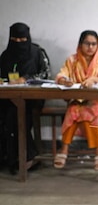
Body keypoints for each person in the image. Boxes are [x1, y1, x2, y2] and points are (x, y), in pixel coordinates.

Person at [53, 30, 98, 171]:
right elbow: (61, 75)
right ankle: (65, 149)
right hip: (78, 99)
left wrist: (93, 79)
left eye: (93, 44)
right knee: (74, 110)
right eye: (87, 43)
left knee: (86, 111)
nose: (90, 47)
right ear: (80, 44)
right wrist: (64, 80)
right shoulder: (72, 60)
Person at [0, 22, 51, 175]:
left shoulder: (37, 52)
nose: (19, 44)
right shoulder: (5, 55)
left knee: (16, 117)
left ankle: (27, 157)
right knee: (5, 116)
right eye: (15, 40)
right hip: (8, 97)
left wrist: (26, 79)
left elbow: (46, 74)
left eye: (22, 40)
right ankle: (8, 156)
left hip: (32, 99)